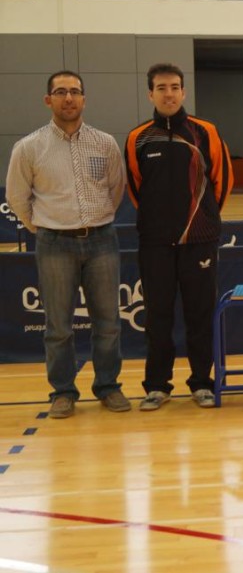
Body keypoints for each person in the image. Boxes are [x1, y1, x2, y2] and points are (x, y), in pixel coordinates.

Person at [5, 71, 130, 418]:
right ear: (48, 100)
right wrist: (47, 227)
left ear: (84, 99)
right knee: (58, 326)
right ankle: (62, 391)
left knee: (108, 322)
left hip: (102, 240)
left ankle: (108, 386)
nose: (69, 98)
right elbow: (17, 198)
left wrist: (94, 221)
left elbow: (116, 190)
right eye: (61, 92)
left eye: (75, 91)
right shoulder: (29, 147)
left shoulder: (104, 143)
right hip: (54, 244)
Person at [124, 63, 233, 410]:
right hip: (155, 243)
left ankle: (201, 382)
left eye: (174, 87)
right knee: (157, 315)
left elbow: (223, 182)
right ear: (150, 94)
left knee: (200, 313)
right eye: (161, 88)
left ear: (183, 92)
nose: (168, 93)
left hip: (199, 241)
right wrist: (160, 222)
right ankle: (158, 385)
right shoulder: (138, 138)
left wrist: (202, 220)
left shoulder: (205, 132)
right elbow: (135, 188)